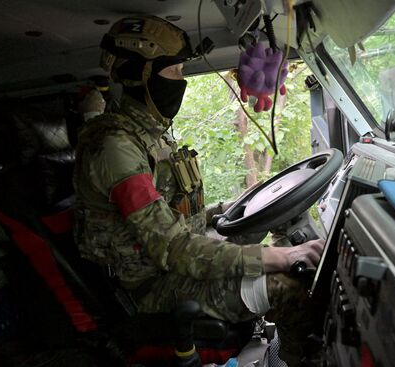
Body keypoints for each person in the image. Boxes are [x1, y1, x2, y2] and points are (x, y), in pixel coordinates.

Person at [73, 15, 324, 366]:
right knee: (291, 287)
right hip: (152, 288)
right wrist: (278, 258)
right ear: (140, 76)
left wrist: (232, 205)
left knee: (275, 239)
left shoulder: (151, 135)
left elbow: (175, 217)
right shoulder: (116, 148)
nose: (182, 80)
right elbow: (172, 247)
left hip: (171, 266)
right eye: (174, 72)